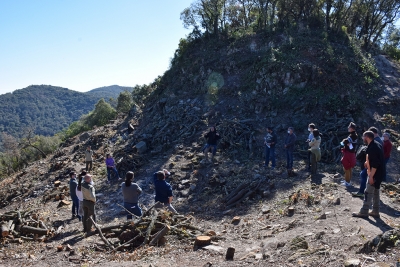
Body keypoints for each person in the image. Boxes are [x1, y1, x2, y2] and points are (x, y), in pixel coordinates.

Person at [352, 131, 385, 218]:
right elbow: (376, 159)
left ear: (367, 137)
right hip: (380, 173)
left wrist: (371, 176)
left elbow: (376, 164)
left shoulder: (373, 148)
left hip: (375, 174)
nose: (362, 139)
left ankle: (364, 211)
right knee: (376, 192)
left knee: (368, 192)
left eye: (363, 137)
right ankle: (375, 211)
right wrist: (367, 162)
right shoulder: (376, 144)